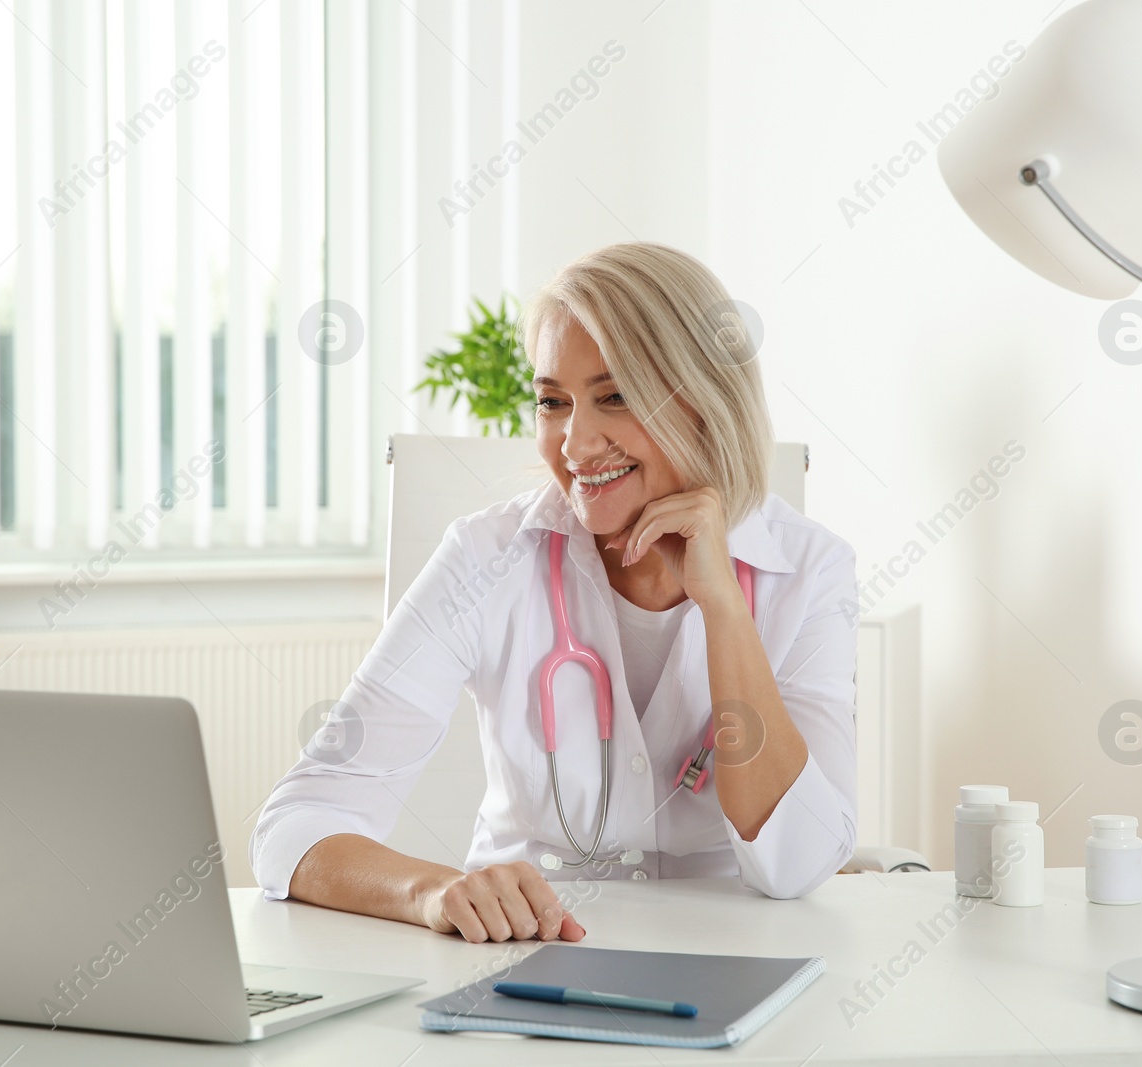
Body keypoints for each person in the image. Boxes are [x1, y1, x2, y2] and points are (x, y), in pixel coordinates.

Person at [251, 242, 858, 945]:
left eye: (615, 396)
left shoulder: (809, 571)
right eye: (552, 402)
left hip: (736, 967)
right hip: (527, 967)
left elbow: (800, 861)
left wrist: (723, 608)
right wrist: (435, 891)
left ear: (703, 403)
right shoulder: (486, 559)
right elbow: (294, 827)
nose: (574, 442)